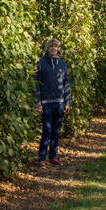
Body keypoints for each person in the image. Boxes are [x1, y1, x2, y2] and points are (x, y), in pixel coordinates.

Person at [34, 38, 71, 168]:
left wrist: (67, 102)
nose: (53, 48)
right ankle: (41, 158)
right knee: (46, 130)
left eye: (56, 46)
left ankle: (53, 156)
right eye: (51, 46)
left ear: (58, 49)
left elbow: (66, 84)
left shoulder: (62, 65)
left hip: (59, 104)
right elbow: (36, 85)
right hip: (46, 104)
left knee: (56, 131)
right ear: (48, 48)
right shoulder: (41, 64)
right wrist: (38, 103)